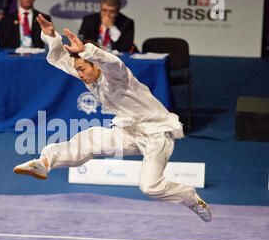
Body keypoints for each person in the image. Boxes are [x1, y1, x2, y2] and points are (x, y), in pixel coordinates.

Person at [13, 15, 212, 222]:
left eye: (82, 69)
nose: (79, 74)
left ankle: (191, 198)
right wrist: (51, 37)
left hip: (156, 133)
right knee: (89, 140)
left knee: (150, 187)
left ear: (95, 65)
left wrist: (88, 50)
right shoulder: (89, 73)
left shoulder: (119, 77)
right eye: (78, 69)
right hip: (128, 131)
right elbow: (63, 60)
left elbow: (112, 62)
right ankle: (44, 163)